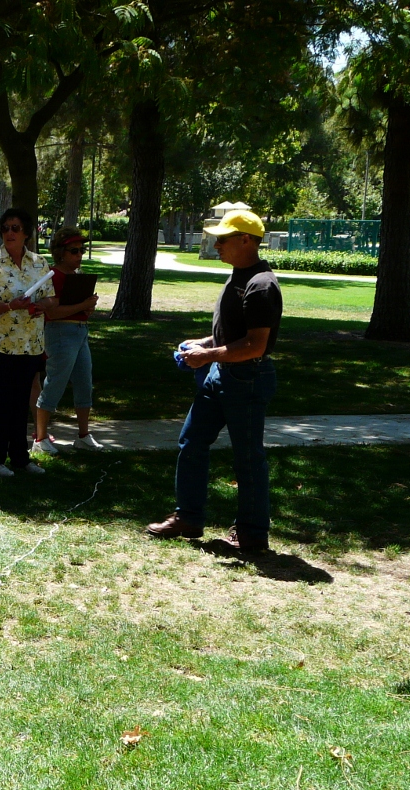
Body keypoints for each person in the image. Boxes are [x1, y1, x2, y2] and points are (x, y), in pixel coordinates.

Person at [146, 209, 281, 553]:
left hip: (248, 378)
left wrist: (207, 356)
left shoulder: (261, 285)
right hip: (221, 375)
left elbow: (255, 345)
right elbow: (231, 334)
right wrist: (203, 344)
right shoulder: (238, 276)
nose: (216, 244)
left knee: (248, 458)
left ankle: (252, 535)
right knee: (191, 441)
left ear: (246, 240)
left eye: (223, 239)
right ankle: (188, 517)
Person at [0, 208, 49, 477]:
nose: (10, 233)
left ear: (27, 233)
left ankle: (20, 457)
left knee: (19, 403)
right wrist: (8, 306)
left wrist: (40, 306)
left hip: (29, 344)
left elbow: (52, 299)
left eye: (15, 228)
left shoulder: (40, 264)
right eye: (5, 228)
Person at [33, 228, 103, 455]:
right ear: (61, 253)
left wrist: (87, 308)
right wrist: (82, 306)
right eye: (74, 251)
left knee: (84, 382)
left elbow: (78, 310)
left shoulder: (76, 277)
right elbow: (52, 314)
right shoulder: (53, 276)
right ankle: (40, 438)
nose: (79, 255)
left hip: (80, 331)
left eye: (82, 250)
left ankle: (83, 435)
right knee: (55, 383)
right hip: (60, 333)